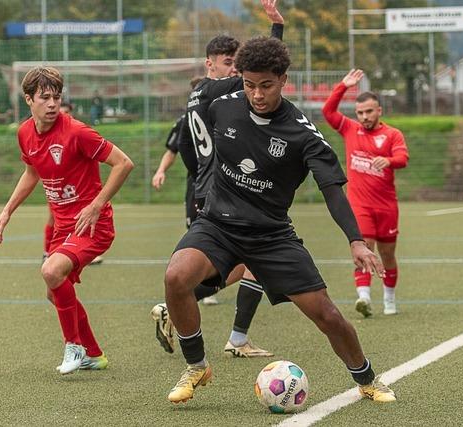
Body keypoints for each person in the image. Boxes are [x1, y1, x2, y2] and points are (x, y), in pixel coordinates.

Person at [163, 36, 396, 404]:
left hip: (271, 235)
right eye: (249, 84)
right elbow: (208, 91)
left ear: (284, 79)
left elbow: (332, 190)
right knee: (176, 276)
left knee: (327, 315)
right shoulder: (220, 105)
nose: (257, 94)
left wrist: (355, 239)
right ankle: (197, 366)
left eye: (267, 85)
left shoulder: (303, 134)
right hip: (218, 225)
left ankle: (367, 379)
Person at [151, 0, 284, 359]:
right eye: (230, 63)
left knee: (236, 266)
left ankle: (227, 333)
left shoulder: (196, 96)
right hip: (224, 195)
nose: (237, 70)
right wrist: (276, 31)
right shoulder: (218, 90)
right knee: (252, 263)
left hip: (207, 191)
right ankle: (224, 333)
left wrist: (199, 179)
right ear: (209, 64)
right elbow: (267, 72)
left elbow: (186, 148)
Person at [0, 66, 133, 374]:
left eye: (57, 97)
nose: (53, 103)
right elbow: (31, 173)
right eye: (45, 97)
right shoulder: (24, 133)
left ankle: (75, 347)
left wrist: (97, 204)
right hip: (63, 229)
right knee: (53, 288)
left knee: (51, 271)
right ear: (29, 100)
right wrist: (6, 212)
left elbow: (123, 164)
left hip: (93, 226)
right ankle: (94, 354)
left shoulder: (77, 132)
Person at [322, 69, 409, 317]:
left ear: (379, 110)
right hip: (360, 205)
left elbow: (403, 158)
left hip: (387, 206)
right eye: (360, 112)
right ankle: (364, 297)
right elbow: (328, 112)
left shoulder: (392, 134)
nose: (364, 117)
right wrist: (343, 86)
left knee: (387, 255)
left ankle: (389, 299)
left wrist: (389, 160)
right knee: (364, 247)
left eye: (369, 111)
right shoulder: (350, 129)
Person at [151, 77, 217, 304]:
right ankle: (200, 284)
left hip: (222, 183)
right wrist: (160, 171)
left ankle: (210, 282)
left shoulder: (225, 113)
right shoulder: (185, 120)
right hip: (198, 183)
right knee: (197, 231)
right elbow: (172, 150)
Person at [40, 102, 105, 266]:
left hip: (79, 190)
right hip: (59, 189)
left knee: (82, 217)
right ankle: (48, 252)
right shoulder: (46, 134)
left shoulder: (78, 132)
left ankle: (81, 251)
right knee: (53, 218)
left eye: (65, 111)